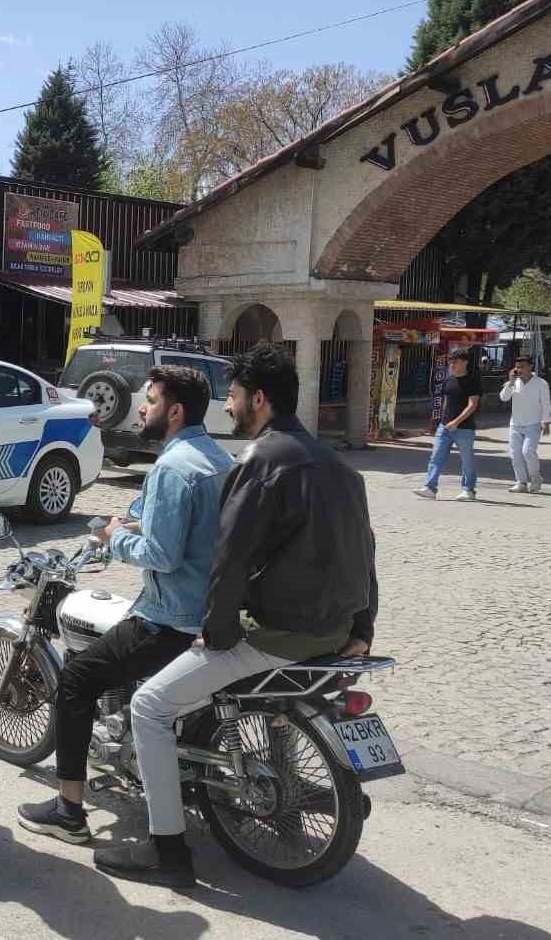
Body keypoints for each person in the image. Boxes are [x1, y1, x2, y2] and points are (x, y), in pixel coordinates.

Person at [95, 343, 378, 886]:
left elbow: (232, 557)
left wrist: (217, 632)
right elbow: (366, 554)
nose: (229, 406)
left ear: (260, 399)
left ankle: (168, 853)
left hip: (278, 633)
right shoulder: (340, 466)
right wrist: (362, 630)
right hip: (336, 631)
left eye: (234, 395)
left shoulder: (261, 461)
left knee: (150, 705)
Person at [17, 366, 234, 844]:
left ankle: (69, 811)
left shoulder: (173, 469)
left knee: (75, 680)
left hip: (171, 617)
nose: (140, 406)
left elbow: (162, 554)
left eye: (151, 400)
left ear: (174, 412)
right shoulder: (218, 458)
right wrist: (134, 525)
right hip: (213, 610)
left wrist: (115, 539)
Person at [415, 348, 481, 502]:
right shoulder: (449, 380)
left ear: (465, 362)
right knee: (436, 457)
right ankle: (430, 488)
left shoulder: (473, 381)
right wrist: (441, 422)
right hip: (444, 427)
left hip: (464, 428)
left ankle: (468, 490)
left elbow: (472, 405)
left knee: (467, 460)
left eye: (455, 362)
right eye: (450, 362)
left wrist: (456, 422)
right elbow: (446, 402)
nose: (452, 365)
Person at [499, 355, 551, 494]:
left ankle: (535, 478)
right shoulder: (514, 382)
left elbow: (546, 404)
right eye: (517, 366)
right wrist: (510, 382)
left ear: (530, 367)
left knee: (527, 451)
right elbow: (503, 398)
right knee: (515, 454)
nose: (519, 369)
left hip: (533, 424)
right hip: (515, 424)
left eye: (522, 366)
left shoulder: (541, 383)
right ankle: (521, 482)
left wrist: (546, 422)